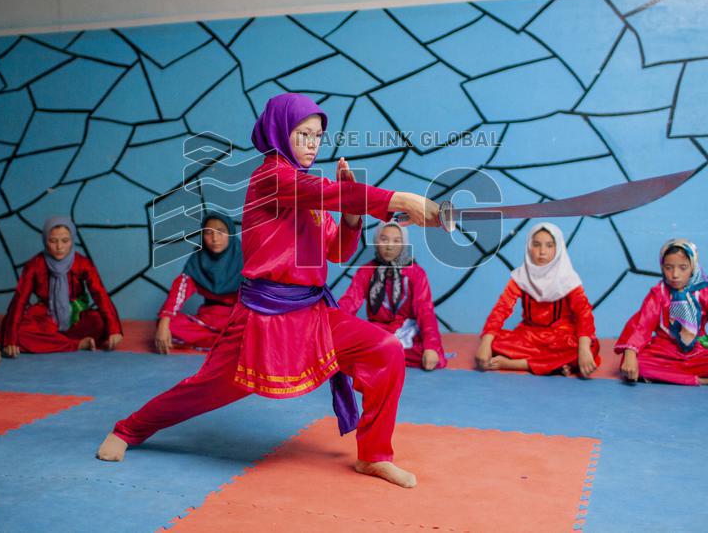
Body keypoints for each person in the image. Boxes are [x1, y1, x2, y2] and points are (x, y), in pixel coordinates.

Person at [97, 93, 441, 488]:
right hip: (263, 317)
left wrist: (349, 214)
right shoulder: (272, 176)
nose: (313, 144)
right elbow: (327, 191)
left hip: (313, 314)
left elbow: (338, 250)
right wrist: (400, 200)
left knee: (386, 349)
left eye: (318, 136)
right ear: (281, 132)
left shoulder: (309, 192)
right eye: (304, 134)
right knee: (203, 390)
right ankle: (127, 429)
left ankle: (374, 455)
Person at [616, 239, 708, 386]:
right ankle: (704, 381)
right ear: (662, 267)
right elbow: (642, 326)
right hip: (664, 352)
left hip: (697, 352)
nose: (675, 274)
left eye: (683, 268)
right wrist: (630, 354)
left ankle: (671, 376)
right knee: (637, 363)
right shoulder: (658, 293)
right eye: (668, 267)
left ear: (693, 267)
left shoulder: (704, 294)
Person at [475, 222, 599, 378]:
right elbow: (501, 309)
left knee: (590, 346)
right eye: (536, 245)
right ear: (529, 247)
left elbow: (584, 313)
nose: (542, 252)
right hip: (529, 336)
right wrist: (486, 343)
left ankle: (518, 364)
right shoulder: (521, 277)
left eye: (549, 246)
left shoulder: (568, 278)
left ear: (558, 248)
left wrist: (584, 348)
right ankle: (554, 366)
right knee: (493, 341)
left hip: (561, 336)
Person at [1, 217, 123, 355]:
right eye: (53, 241)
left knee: (100, 322)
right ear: (45, 241)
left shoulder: (82, 263)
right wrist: (10, 338)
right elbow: (20, 299)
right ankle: (75, 344)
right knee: (14, 330)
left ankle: (52, 341)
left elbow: (100, 294)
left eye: (65, 241)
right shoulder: (34, 265)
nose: (59, 247)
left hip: (75, 317)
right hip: (47, 317)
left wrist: (114, 329)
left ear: (72, 240)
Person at [338, 220, 447, 370]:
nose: (390, 246)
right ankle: (380, 352)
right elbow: (349, 302)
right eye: (384, 239)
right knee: (346, 345)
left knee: (431, 356)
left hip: (408, 332)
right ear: (376, 241)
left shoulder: (415, 272)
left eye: (396, 240)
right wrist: (330, 328)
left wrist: (431, 347)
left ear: (404, 244)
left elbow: (425, 310)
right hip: (377, 332)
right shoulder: (366, 271)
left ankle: (377, 354)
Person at [155, 210, 242, 353]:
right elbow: (179, 290)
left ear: (231, 233)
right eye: (208, 232)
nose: (215, 238)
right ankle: (228, 345)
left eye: (221, 232)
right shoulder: (198, 260)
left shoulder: (244, 258)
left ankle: (227, 342)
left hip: (237, 320)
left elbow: (257, 299)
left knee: (262, 329)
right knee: (166, 325)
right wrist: (165, 319)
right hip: (207, 319)